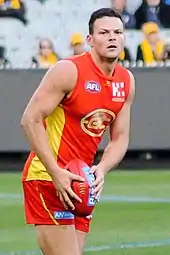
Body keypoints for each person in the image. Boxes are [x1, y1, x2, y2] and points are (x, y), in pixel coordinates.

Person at [21, 7, 135, 255]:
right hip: (48, 177)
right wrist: (55, 172)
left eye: (117, 32)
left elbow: (120, 136)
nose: (112, 37)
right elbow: (30, 120)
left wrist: (102, 169)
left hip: (82, 182)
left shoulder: (126, 80)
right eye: (104, 32)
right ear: (90, 40)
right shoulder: (68, 70)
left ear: (125, 38)